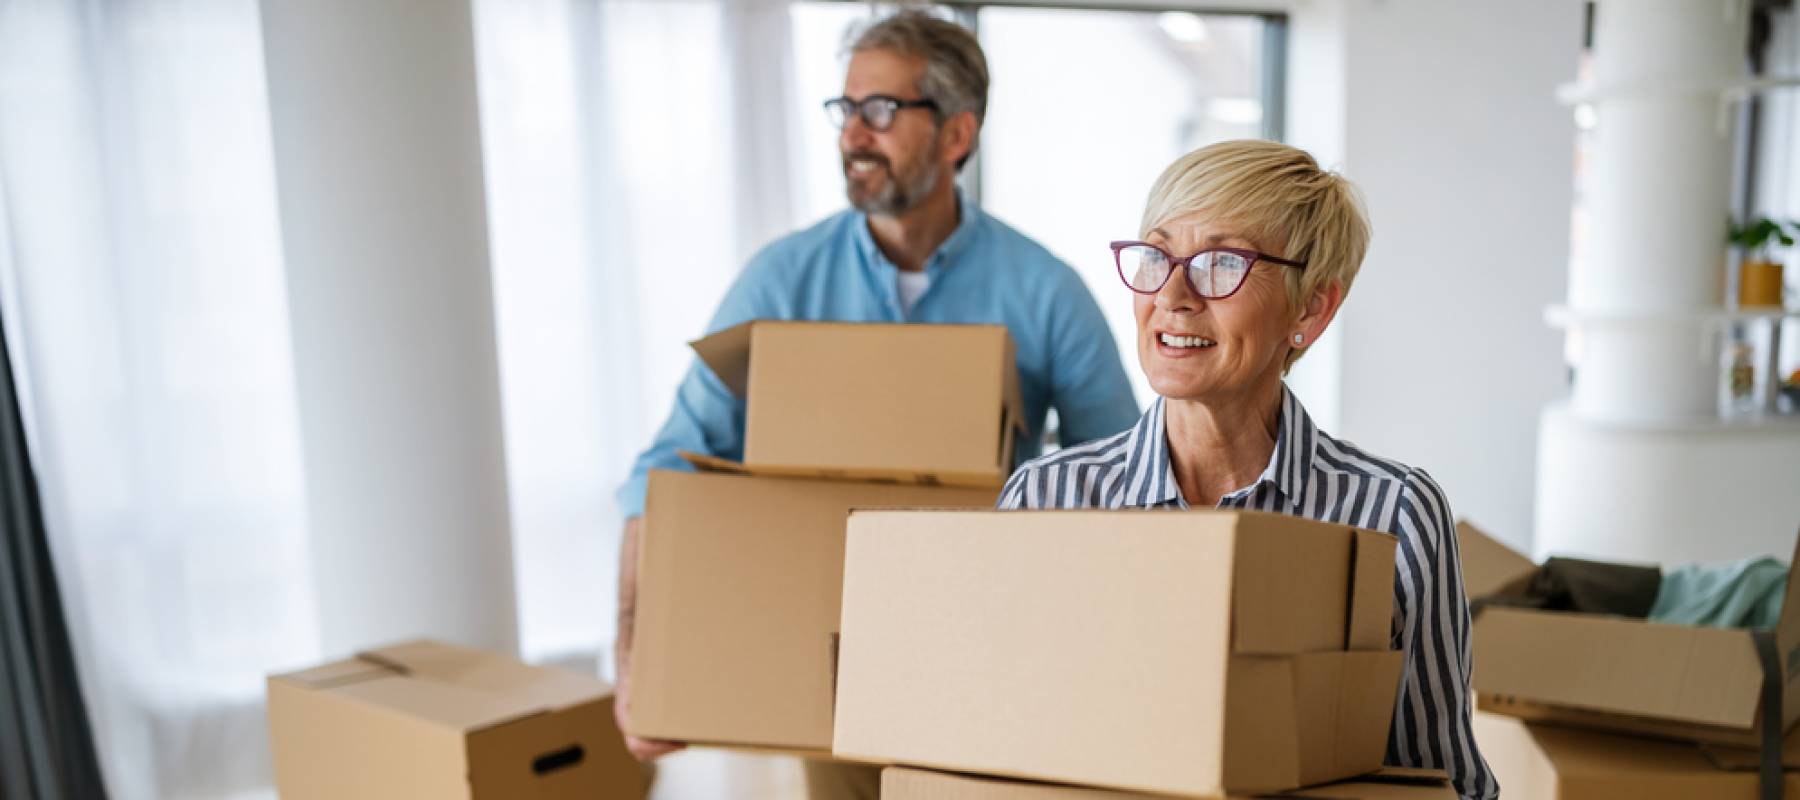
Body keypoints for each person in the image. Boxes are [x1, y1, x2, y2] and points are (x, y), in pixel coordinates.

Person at [611, 11, 1140, 799]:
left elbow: (1131, 478)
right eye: (845, 108)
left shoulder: (1045, 291)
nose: (854, 133)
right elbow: (663, 468)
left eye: (882, 111)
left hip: (992, 648)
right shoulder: (781, 282)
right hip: (832, 660)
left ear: (957, 134)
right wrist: (634, 666)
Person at [997, 139, 1498, 800]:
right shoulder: (1048, 500)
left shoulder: (1395, 514)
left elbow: (1446, 783)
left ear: (1311, 309)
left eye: (1221, 264)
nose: (1172, 295)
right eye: (1157, 255)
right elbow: (993, 751)